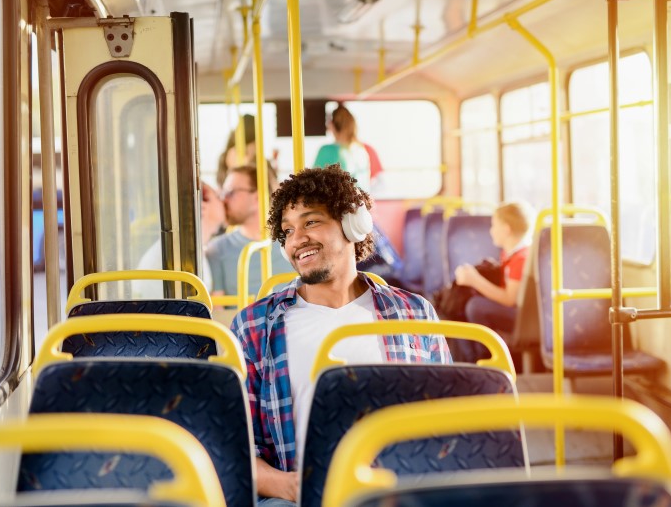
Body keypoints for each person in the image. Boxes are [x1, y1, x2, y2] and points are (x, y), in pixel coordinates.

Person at [230, 165, 452, 505]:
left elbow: (449, 423)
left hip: (398, 493)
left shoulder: (414, 314)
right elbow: (236, 448)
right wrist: (288, 487)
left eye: (311, 222)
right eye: (287, 231)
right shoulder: (255, 326)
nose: (297, 239)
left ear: (353, 224)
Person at [453, 201, 534, 361]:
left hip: (524, 318)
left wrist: (475, 280)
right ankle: (472, 359)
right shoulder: (509, 254)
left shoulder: (522, 258)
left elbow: (510, 299)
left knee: (476, 307)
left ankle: (486, 357)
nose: (491, 231)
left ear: (506, 229)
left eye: (494, 225)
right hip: (518, 312)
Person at [206, 165, 292, 299]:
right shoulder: (216, 250)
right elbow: (218, 312)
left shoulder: (292, 242)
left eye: (230, 192)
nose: (223, 199)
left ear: (257, 197)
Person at [135, 182, 224, 297]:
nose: (223, 201)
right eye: (217, 197)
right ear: (202, 206)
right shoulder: (181, 253)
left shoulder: (191, 247)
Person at [314, 105, 372, 192]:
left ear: (332, 125)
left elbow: (314, 182)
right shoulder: (361, 150)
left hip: (339, 203)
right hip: (361, 203)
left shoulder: (326, 151)